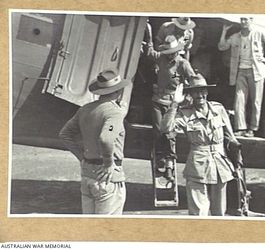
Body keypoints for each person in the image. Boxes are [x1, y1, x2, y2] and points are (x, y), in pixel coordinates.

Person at [161, 73, 241, 216]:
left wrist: (236, 160)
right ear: (190, 94)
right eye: (196, 91)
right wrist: (174, 104)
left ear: (207, 92)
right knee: (198, 213)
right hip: (198, 165)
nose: (200, 94)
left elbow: (230, 138)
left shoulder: (219, 109)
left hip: (220, 165)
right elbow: (166, 128)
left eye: (203, 90)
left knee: (220, 213)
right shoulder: (185, 114)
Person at [59, 69, 130, 214]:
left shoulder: (85, 109)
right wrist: (109, 163)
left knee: (89, 227)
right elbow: (106, 138)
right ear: (119, 91)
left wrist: (81, 157)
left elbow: (65, 134)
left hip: (87, 174)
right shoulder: (115, 112)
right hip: (107, 177)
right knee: (106, 231)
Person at [145, 35, 196, 181]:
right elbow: (150, 53)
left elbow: (193, 81)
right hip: (157, 100)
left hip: (173, 103)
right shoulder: (160, 58)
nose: (170, 54)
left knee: (169, 133)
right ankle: (159, 159)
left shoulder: (183, 64)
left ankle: (169, 165)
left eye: (173, 52)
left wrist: (188, 96)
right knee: (157, 131)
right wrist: (149, 35)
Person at [218, 17, 265, 137]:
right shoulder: (236, 36)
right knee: (239, 99)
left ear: (252, 20)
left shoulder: (259, 33)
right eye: (242, 19)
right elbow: (222, 47)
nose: (243, 22)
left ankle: (252, 129)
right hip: (241, 70)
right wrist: (224, 31)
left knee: (256, 100)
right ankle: (240, 128)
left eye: (246, 19)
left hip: (256, 71)